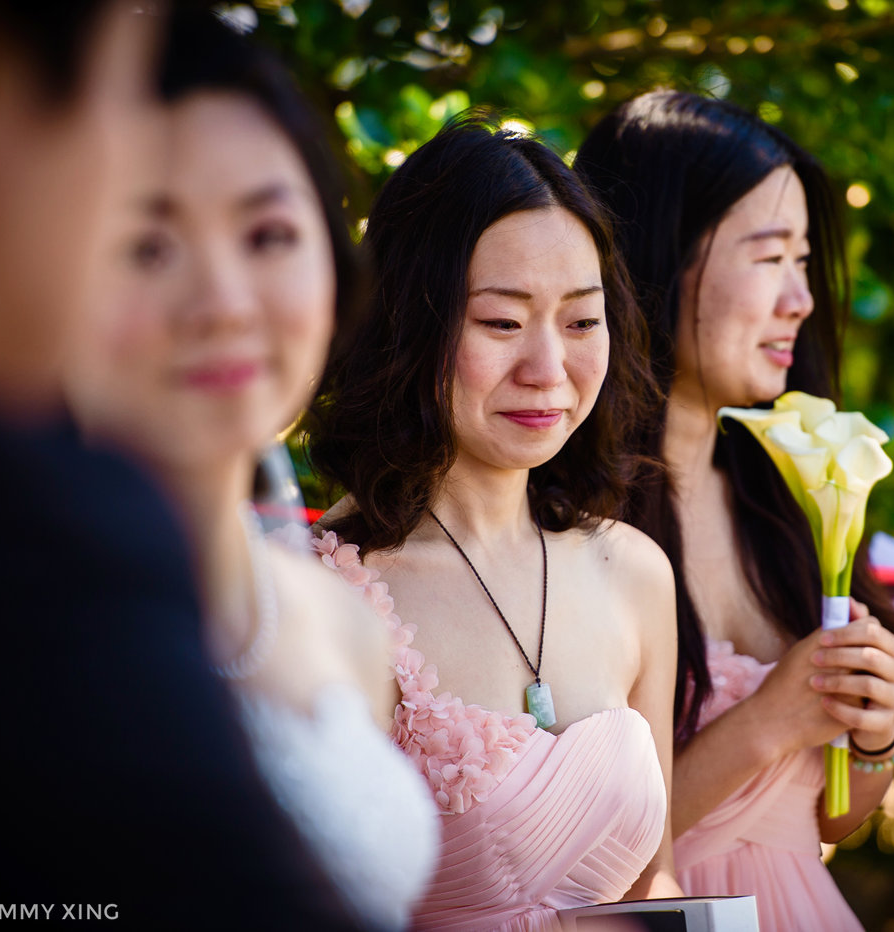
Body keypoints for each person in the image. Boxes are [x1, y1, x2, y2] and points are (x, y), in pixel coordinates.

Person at [61, 12, 437, 929]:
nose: (224, 303)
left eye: (267, 235)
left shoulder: (342, 624)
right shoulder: (1, 613)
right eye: (148, 247)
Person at [304, 116, 683, 930]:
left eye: (582, 322)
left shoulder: (635, 573)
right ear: (408, 325)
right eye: (502, 323)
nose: (549, 370)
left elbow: (656, 886)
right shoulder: (318, 594)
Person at [575, 90, 894, 931]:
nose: (800, 299)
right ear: (661, 256)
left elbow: (824, 819)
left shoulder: (786, 500)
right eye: (770, 259)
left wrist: (877, 733)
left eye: (804, 263)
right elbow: (561, 851)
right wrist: (765, 724)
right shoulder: (569, 523)